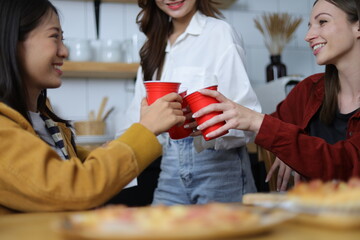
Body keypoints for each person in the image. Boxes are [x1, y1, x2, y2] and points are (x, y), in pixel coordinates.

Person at [0, 0, 185, 215]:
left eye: (63, 39)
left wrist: (112, 150)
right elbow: (75, 188)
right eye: (54, 37)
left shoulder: (46, 124)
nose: (64, 51)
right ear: (12, 43)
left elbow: (71, 167)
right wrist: (146, 129)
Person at [193, 0, 360, 188]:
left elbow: (347, 164)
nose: (308, 36)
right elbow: (275, 132)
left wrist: (295, 151)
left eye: (322, 22)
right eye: (309, 26)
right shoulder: (310, 90)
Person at [117, 0, 261, 205]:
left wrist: (207, 129)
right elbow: (138, 114)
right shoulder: (153, 46)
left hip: (219, 168)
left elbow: (247, 118)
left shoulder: (219, 33)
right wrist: (118, 147)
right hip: (170, 166)